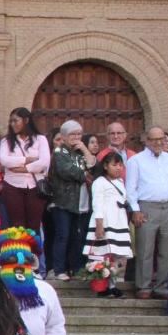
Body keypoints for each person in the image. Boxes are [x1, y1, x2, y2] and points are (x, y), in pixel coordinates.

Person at [125, 126, 168, 299]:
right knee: (145, 248)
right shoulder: (136, 161)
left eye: (161, 139)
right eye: (154, 139)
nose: (158, 142)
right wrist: (135, 210)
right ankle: (143, 286)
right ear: (147, 141)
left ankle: (162, 287)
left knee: (167, 251)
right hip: (147, 207)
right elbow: (130, 188)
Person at [47, 120, 95, 280]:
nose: (76, 137)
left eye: (79, 134)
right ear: (64, 136)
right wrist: (85, 174)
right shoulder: (59, 152)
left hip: (81, 203)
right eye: (72, 134)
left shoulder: (80, 152)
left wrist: (85, 149)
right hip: (63, 202)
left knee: (77, 236)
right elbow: (67, 171)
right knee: (63, 235)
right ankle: (59, 269)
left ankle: (75, 268)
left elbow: (93, 166)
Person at [83, 151, 132, 298]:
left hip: (119, 222)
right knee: (102, 254)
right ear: (105, 166)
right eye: (114, 165)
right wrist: (99, 225)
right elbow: (97, 204)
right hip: (105, 222)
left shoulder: (120, 182)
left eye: (120, 165)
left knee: (116, 255)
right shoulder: (99, 182)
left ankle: (112, 285)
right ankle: (102, 286)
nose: (118, 168)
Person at [0, 107, 50, 233]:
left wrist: (24, 169)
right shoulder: (6, 141)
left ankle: (32, 247)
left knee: (34, 225)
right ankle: (19, 247)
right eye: (11, 121)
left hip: (35, 186)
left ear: (26, 120)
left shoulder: (40, 139)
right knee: (17, 226)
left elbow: (44, 162)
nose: (12, 124)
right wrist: (27, 160)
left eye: (16, 120)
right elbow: (4, 160)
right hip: (12, 186)